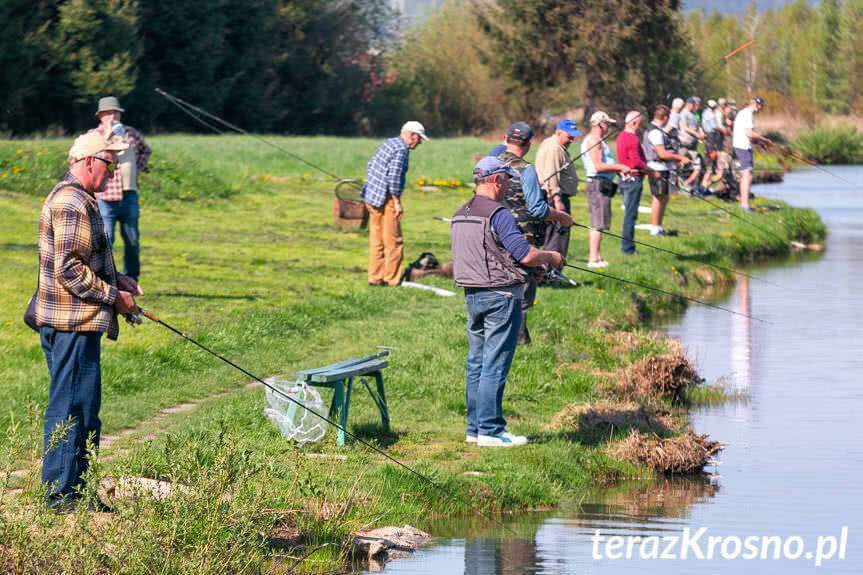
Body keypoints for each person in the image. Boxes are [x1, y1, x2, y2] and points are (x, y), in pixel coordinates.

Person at [30, 131, 140, 511]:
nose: (113, 171)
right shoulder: (72, 202)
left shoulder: (81, 198)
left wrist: (117, 279)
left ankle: (76, 491)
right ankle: (60, 496)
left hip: (77, 324)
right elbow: (69, 270)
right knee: (71, 409)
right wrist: (115, 298)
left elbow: (81, 262)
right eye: (109, 163)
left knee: (84, 411)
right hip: (71, 325)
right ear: (90, 161)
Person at [450, 156, 563, 447]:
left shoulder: (460, 212)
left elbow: (487, 252)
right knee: (495, 363)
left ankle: (474, 429)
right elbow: (525, 254)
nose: (509, 187)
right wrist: (550, 257)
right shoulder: (498, 213)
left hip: (473, 294)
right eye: (508, 181)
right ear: (496, 179)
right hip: (501, 296)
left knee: (476, 363)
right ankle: (490, 430)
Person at [497, 121, 572, 344]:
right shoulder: (526, 169)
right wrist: (561, 217)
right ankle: (519, 342)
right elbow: (538, 209)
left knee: (501, 287)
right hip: (522, 236)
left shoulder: (490, 163)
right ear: (529, 143)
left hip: (495, 235)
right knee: (522, 292)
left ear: (505, 138)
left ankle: (500, 335)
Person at [91, 96, 151, 282]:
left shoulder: (131, 133)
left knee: (132, 239)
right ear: (100, 116)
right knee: (106, 239)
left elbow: (146, 150)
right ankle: (102, 277)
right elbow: (86, 160)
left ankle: (131, 279)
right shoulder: (93, 136)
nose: (113, 117)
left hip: (129, 194)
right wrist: (108, 138)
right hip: (104, 196)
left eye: (116, 113)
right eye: (108, 113)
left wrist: (136, 169)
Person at [362, 121, 428, 286]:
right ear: (412, 136)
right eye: (419, 139)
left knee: (376, 240)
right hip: (386, 199)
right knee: (394, 241)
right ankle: (391, 279)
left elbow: (370, 164)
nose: (419, 143)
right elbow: (394, 178)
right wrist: (397, 202)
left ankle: (375, 277)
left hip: (371, 196)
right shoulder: (401, 150)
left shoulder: (389, 143)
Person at [581, 111, 630, 267]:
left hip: (600, 183)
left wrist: (617, 170)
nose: (608, 126)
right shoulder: (594, 140)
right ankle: (593, 259)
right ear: (599, 124)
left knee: (600, 221)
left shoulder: (597, 140)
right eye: (607, 123)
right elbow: (598, 166)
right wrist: (620, 166)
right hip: (597, 184)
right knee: (597, 222)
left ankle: (597, 257)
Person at [535, 119, 581, 274]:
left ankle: (548, 272)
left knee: (553, 236)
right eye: (569, 136)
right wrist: (557, 199)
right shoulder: (554, 148)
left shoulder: (552, 144)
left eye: (574, 136)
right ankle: (552, 272)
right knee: (558, 236)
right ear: (558, 132)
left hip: (553, 197)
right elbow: (551, 175)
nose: (572, 140)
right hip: (556, 199)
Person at [642, 105, 691, 236]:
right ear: (665, 118)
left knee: (664, 197)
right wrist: (680, 157)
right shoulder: (655, 132)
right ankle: (655, 228)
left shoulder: (654, 130)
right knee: (658, 198)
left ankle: (659, 226)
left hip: (661, 167)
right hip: (657, 168)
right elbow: (662, 153)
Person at [615, 111, 646, 255]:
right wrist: (648, 168)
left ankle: (627, 246)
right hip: (633, 179)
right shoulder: (632, 138)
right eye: (639, 123)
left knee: (628, 213)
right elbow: (635, 162)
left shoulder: (621, 136)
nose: (640, 126)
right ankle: (628, 248)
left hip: (623, 179)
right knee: (630, 214)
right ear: (634, 123)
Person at [733, 97, 768, 211]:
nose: (761, 109)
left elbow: (746, 134)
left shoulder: (742, 112)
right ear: (757, 105)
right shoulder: (748, 114)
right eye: (761, 106)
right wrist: (764, 140)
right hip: (743, 147)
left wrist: (760, 142)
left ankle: (743, 202)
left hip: (740, 146)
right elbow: (749, 133)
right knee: (747, 175)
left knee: (747, 175)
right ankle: (745, 205)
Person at [677, 97, 704, 191]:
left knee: (693, 164)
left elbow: (697, 125)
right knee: (681, 163)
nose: (695, 107)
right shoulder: (684, 113)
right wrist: (696, 134)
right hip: (684, 142)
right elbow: (684, 127)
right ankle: (678, 185)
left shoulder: (693, 114)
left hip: (692, 143)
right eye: (693, 105)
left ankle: (688, 184)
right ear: (688, 104)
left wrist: (701, 133)